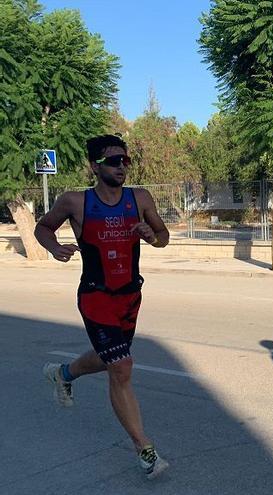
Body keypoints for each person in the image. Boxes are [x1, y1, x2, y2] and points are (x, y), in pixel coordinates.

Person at [35, 134, 171, 480]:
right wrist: (54, 248)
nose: (122, 167)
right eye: (114, 161)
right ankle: (145, 450)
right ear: (94, 166)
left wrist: (151, 236)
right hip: (95, 296)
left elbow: (163, 236)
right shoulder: (74, 202)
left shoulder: (139, 198)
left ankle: (63, 374)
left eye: (126, 161)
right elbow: (43, 227)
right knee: (121, 366)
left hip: (130, 296)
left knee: (110, 355)